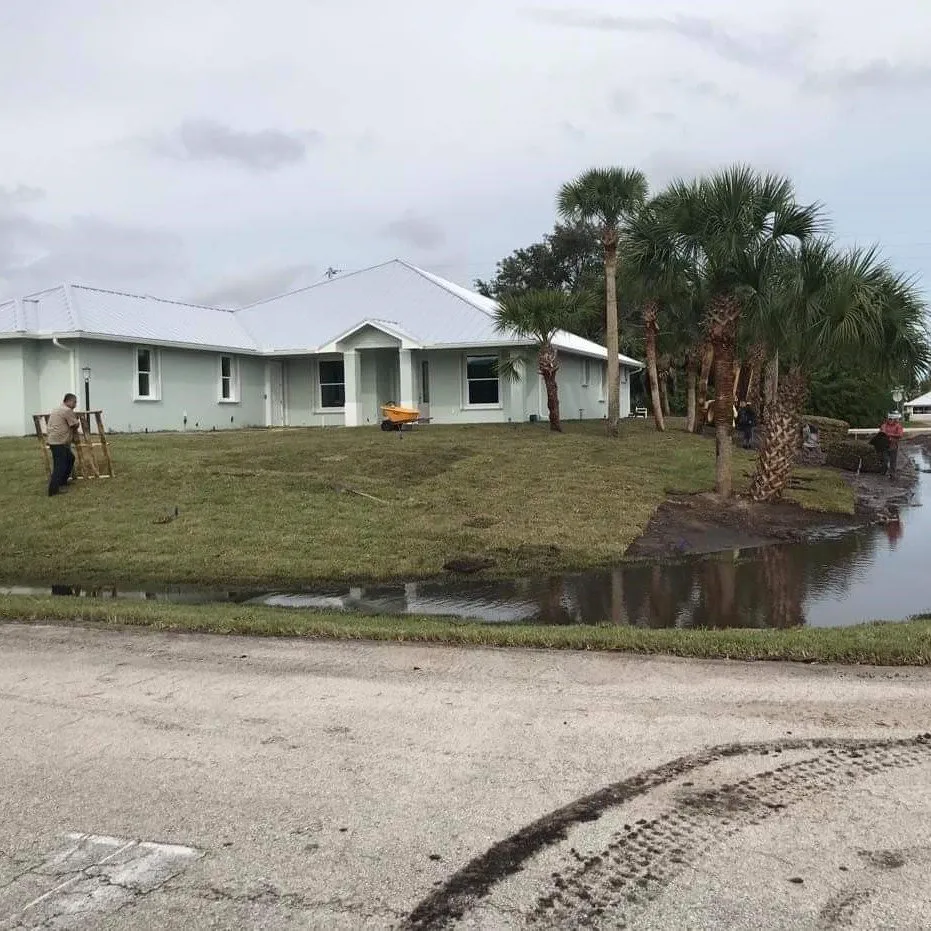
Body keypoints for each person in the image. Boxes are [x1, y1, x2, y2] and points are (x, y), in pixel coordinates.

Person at [46, 393, 80, 497]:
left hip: (55, 440)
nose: (75, 405)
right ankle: (53, 489)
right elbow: (74, 424)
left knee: (70, 458)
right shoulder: (67, 410)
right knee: (59, 466)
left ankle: (62, 481)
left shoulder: (57, 409)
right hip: (59, 442)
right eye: (74, 402)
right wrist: (77, 421)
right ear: (68, 401)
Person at [878, 411, 905, 479]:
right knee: (885, 460)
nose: (889, 420)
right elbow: (881, 433)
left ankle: (892, 475)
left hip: (893, 445)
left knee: (893, 461)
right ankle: (883, 472)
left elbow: (900, 435)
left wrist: (890, 434)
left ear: (894, 419)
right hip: (884, 445)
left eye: (891, 419)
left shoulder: (898, 426)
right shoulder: (884, 425)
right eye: (889, 419)